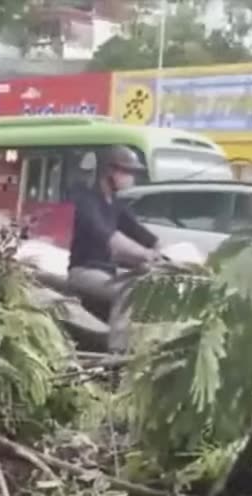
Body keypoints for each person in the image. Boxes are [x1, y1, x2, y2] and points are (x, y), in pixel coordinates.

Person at [66, 146, 162, 353]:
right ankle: (117, 354)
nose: (131, 178)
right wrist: (145, 254)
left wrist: (159, 249)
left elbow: (140, 232)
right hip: (84, 271)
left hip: (107, 272)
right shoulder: (89, 202)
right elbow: (110, 239)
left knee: (149, 284)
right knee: (128, 292)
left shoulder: (115, 204)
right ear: (110, 171)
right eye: (127, 172)